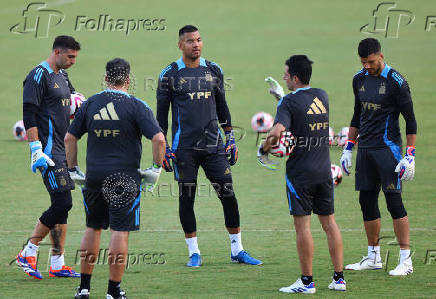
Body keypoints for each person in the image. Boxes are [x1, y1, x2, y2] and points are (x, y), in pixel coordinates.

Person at [156, 25, 262, 267]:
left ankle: (238, 250)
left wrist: (230, 137)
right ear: (180, 45)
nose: (196, 44)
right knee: (187, 198)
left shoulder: (213, 70)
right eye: (190, 41)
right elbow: (161, 116)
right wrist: (163, 147)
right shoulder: (169, 75)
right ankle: (194, 252)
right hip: (184, 149)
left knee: (229, 196)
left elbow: (222, 106)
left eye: (199, 40)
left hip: (214, 147)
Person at [65, 58, 165, 299]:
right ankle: (113, 291)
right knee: (120, 232)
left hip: (94, 178)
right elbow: (159, 139)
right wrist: (156, 168)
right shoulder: (137, 106)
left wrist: (73, 170)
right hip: (124, 180)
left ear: (105, 78)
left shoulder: (90, 104)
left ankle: (84, 288)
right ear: (128, 80)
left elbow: (70, 138)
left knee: (92, 228)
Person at [258, 55, 346, 293]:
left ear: (295, 77)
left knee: (303, 228)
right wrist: (282, 98)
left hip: (301, 175)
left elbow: (276, 132)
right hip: (324, 171)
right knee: (330, 224)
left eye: (286, 74)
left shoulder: (288, 104)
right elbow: (303, 109)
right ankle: (339, 279)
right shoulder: (322, 95)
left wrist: (263, 149)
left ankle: (307, 282)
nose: (284, 77)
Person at [340, 38, 417, 276]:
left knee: (394, 202)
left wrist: (410, 156)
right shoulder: (359, 79)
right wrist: (348, 147)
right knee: (367, 202)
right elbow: (357, 115)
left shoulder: (397, 82)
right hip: (365, 151)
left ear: (380, 56)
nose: (367, 66)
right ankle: (373, 257)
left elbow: (411, 120)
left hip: (388, 150)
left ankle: (406, 260)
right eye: (363, 62)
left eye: (371, 61)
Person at [17, 35, 81, 280]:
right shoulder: (38, 76)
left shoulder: (63, 76)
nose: (73, 61)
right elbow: (29, 113)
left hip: (61, 152)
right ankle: (29, 251)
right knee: (63, 203)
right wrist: (36, 149)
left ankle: (57, 263)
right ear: (57, 52)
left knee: (62, 209)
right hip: (47, 153)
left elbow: (72, 103)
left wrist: (79, 104)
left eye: (75, 57)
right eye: (70, 56)